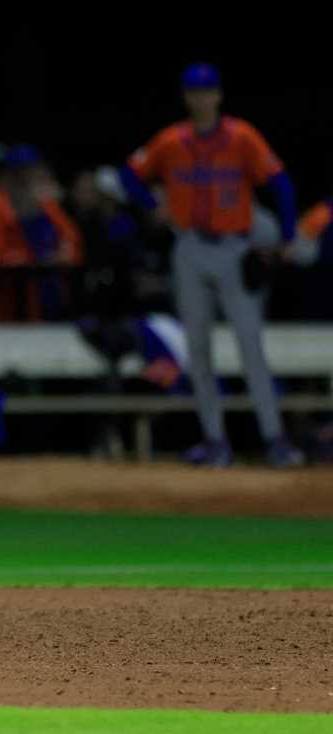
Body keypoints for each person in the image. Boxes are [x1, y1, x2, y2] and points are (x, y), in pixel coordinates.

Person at [119, 63, 303, 468]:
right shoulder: (171, 140)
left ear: (218, 95)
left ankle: (274, 438)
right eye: (194, 92)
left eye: (207, 92)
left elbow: (280, 183)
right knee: (197, 349)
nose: (201, 99)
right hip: (188, 247)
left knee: (250, 346)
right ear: (186, 97)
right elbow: (129, 175)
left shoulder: (241, 137)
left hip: (234, 248)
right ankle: (215, 440)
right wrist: (154, 204)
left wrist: (287, 235)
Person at [0, 144, 83, 321]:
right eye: (19, 171)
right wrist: (37, 261)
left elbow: (72, 239)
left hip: (52, 299)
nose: (25, 176)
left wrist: (64, 255)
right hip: (10, 306)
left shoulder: (46, 204)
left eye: (30, 169)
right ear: (8, 175)